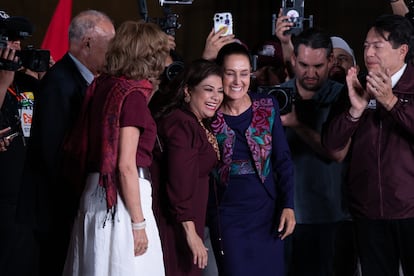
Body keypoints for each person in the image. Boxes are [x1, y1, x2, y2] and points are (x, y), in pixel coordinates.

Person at [62, 20, 170, 276]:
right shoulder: (131, 96)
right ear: (150, 55)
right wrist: (138, 223)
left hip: (95, 193)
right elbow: (125, 166)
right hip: (121, 202)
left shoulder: (103, 86)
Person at [17, 9, 115, 276]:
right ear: (88, 43)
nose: (113, 55)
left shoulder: (80, 80)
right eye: (110, 46)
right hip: (53, 210)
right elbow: (52, 152)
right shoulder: (60, 83)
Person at [322, 14, 414, 276]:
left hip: (410, 209)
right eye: (365, 45)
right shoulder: (355, 87)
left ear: (402, 50)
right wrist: (355, 110)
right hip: (368, 211)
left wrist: (392, 103)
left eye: (377, 45)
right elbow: (331, 144)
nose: (368, 52)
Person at [208, 42, 295, 276]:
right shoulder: (208, 111)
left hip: (267, 211)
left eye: (244, 73)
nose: (238, 81)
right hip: (227, 212)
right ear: (219, 74)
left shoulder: (267, 106)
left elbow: (283, 160)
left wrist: (288, 205)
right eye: (230, 73)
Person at [278, 28, 351, 276]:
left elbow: (338, 153)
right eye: (304, 65)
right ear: (293, 60)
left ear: (330, 61)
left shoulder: (343, 96)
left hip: (327, 215)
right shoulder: (277, 95)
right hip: (282, 215)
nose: (310, 73)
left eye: (318, 65)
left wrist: (297, 124)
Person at [151, 59, 224, 276]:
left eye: (219, 91)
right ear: (188, 91)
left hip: (191, 220)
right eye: (208, 90)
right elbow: (179, 184)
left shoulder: (196, 121)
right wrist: (191, 233)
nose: (216, 97)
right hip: (176, 225)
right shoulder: (181, 124)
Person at [0, 11, 46, 275]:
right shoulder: (5, 80)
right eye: (8, 38)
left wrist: (43, 77)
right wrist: (3, 80)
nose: (15, 46)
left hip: (26, 195)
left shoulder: (25, 82)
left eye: (19, 40)